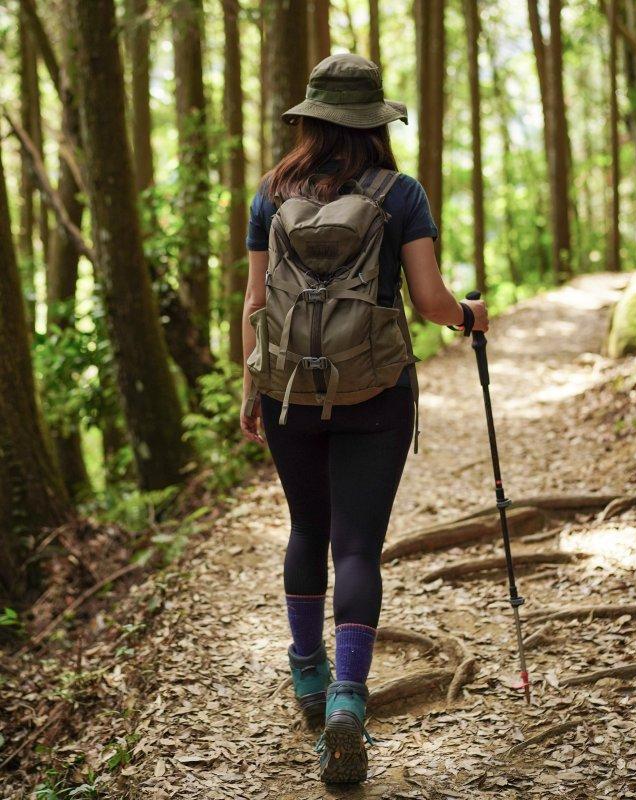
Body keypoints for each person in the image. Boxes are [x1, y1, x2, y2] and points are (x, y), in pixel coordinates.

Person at [240, 53, 488, 785]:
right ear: (375, 122)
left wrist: (250, 388)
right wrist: (470, 317)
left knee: (306, 529)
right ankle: (350, 699)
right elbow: (430, 301)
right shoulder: (399, 194)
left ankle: (308, 678)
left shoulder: (270, 194)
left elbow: (255, 305)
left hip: (289, 391)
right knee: (356, 547)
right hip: (375, 393)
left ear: (309, 119)